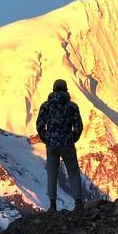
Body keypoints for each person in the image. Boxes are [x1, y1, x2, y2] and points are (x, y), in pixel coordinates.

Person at [36, 79, 84, 212]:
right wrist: (73, 138)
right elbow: (78, 126)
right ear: (65, 90)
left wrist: (47, 139)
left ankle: (52, 205)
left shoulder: (46, 106)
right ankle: (78, 203)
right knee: (73, 172)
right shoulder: (71, 106)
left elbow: (40, 125)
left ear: (53, 89)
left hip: (52, 144)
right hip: (67, 143)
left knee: (52, 174)